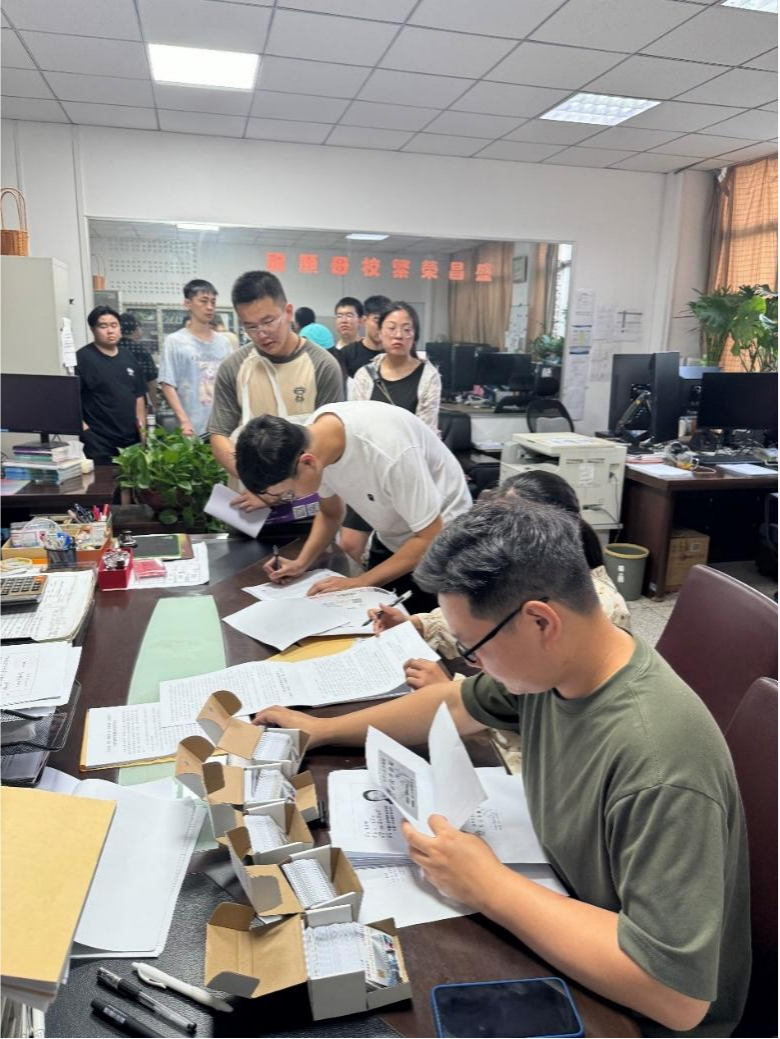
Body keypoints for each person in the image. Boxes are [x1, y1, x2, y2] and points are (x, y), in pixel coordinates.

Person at [252, 497, 751, 1039]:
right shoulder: (565, 666)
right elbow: (456, 703)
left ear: (540, 621)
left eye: (474, 647)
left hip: (638, 1012)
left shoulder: (659, 765)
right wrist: (321, 729)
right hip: (571, 906)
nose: (472, 663)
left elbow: (677, 998)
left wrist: (487, 885)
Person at [371, 469, 630, 771]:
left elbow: (537, 719)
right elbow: (481, 622)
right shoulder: (529, 578)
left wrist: (450, 687)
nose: (497, 539)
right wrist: (417, 624)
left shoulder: (589, 607)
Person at [234, 401, 472, 609]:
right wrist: (301, 563)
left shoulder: (389, 451)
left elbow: (429, 536)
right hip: (395, 533)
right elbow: (330, 514)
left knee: (423, 630)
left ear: (308, 463)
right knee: (376, 617)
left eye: (287, 494)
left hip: (445, 543)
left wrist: (360, 582)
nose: (291, 500)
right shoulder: (310, 445)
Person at [210, 271, 345, 513]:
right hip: (248, 502)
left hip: (306, 502)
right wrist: (260, 485)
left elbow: (332, 439)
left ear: (288, 312)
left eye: (269, 321)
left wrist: (279, 489)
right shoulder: (234, 367)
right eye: (251, 327)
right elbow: (219, 434)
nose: (262, 334)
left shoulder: (322, 365)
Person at [342, 301, 442, 564]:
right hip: (368, 474)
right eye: (391, 328)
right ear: (380, 332)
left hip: (408, 474)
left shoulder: (428, 376)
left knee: (401, 551)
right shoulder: (365, 375)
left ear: (415, 335)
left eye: (406, 329)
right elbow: (355, 425)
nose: (398, 335)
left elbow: (425, 433)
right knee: (349, 545)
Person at [158, 279, 232, 437]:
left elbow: (232, 382)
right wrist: (184, 421)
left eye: (213, 302)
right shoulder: (174, 342)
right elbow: (167, 384)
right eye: (203, 301)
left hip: (223, 427)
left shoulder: (223, 343)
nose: (210, 307)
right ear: (188, 304)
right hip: (192, 429)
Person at [76, 306, 147, 464]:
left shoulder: (128, 357)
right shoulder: (82, 359)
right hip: (100, 443)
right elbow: (71, 401)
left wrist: (142, 433)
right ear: (93, 329)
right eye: (103, 326)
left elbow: (139, 396)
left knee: (132, 480)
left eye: (114, 325)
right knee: (104, 480)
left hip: (131, 442)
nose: (110, 331)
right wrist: (87, 433)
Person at [337, 294, 390, 379]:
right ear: (364, 320)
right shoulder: (346, 354)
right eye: (377, 320)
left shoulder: (393, 353)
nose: (381, 326)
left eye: (386, 322)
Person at [118, 312, 158, 408]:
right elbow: (151, 382)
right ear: (136, 329)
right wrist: (155, 406)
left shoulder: (112, 348)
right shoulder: (141, 351)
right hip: (137, 402)